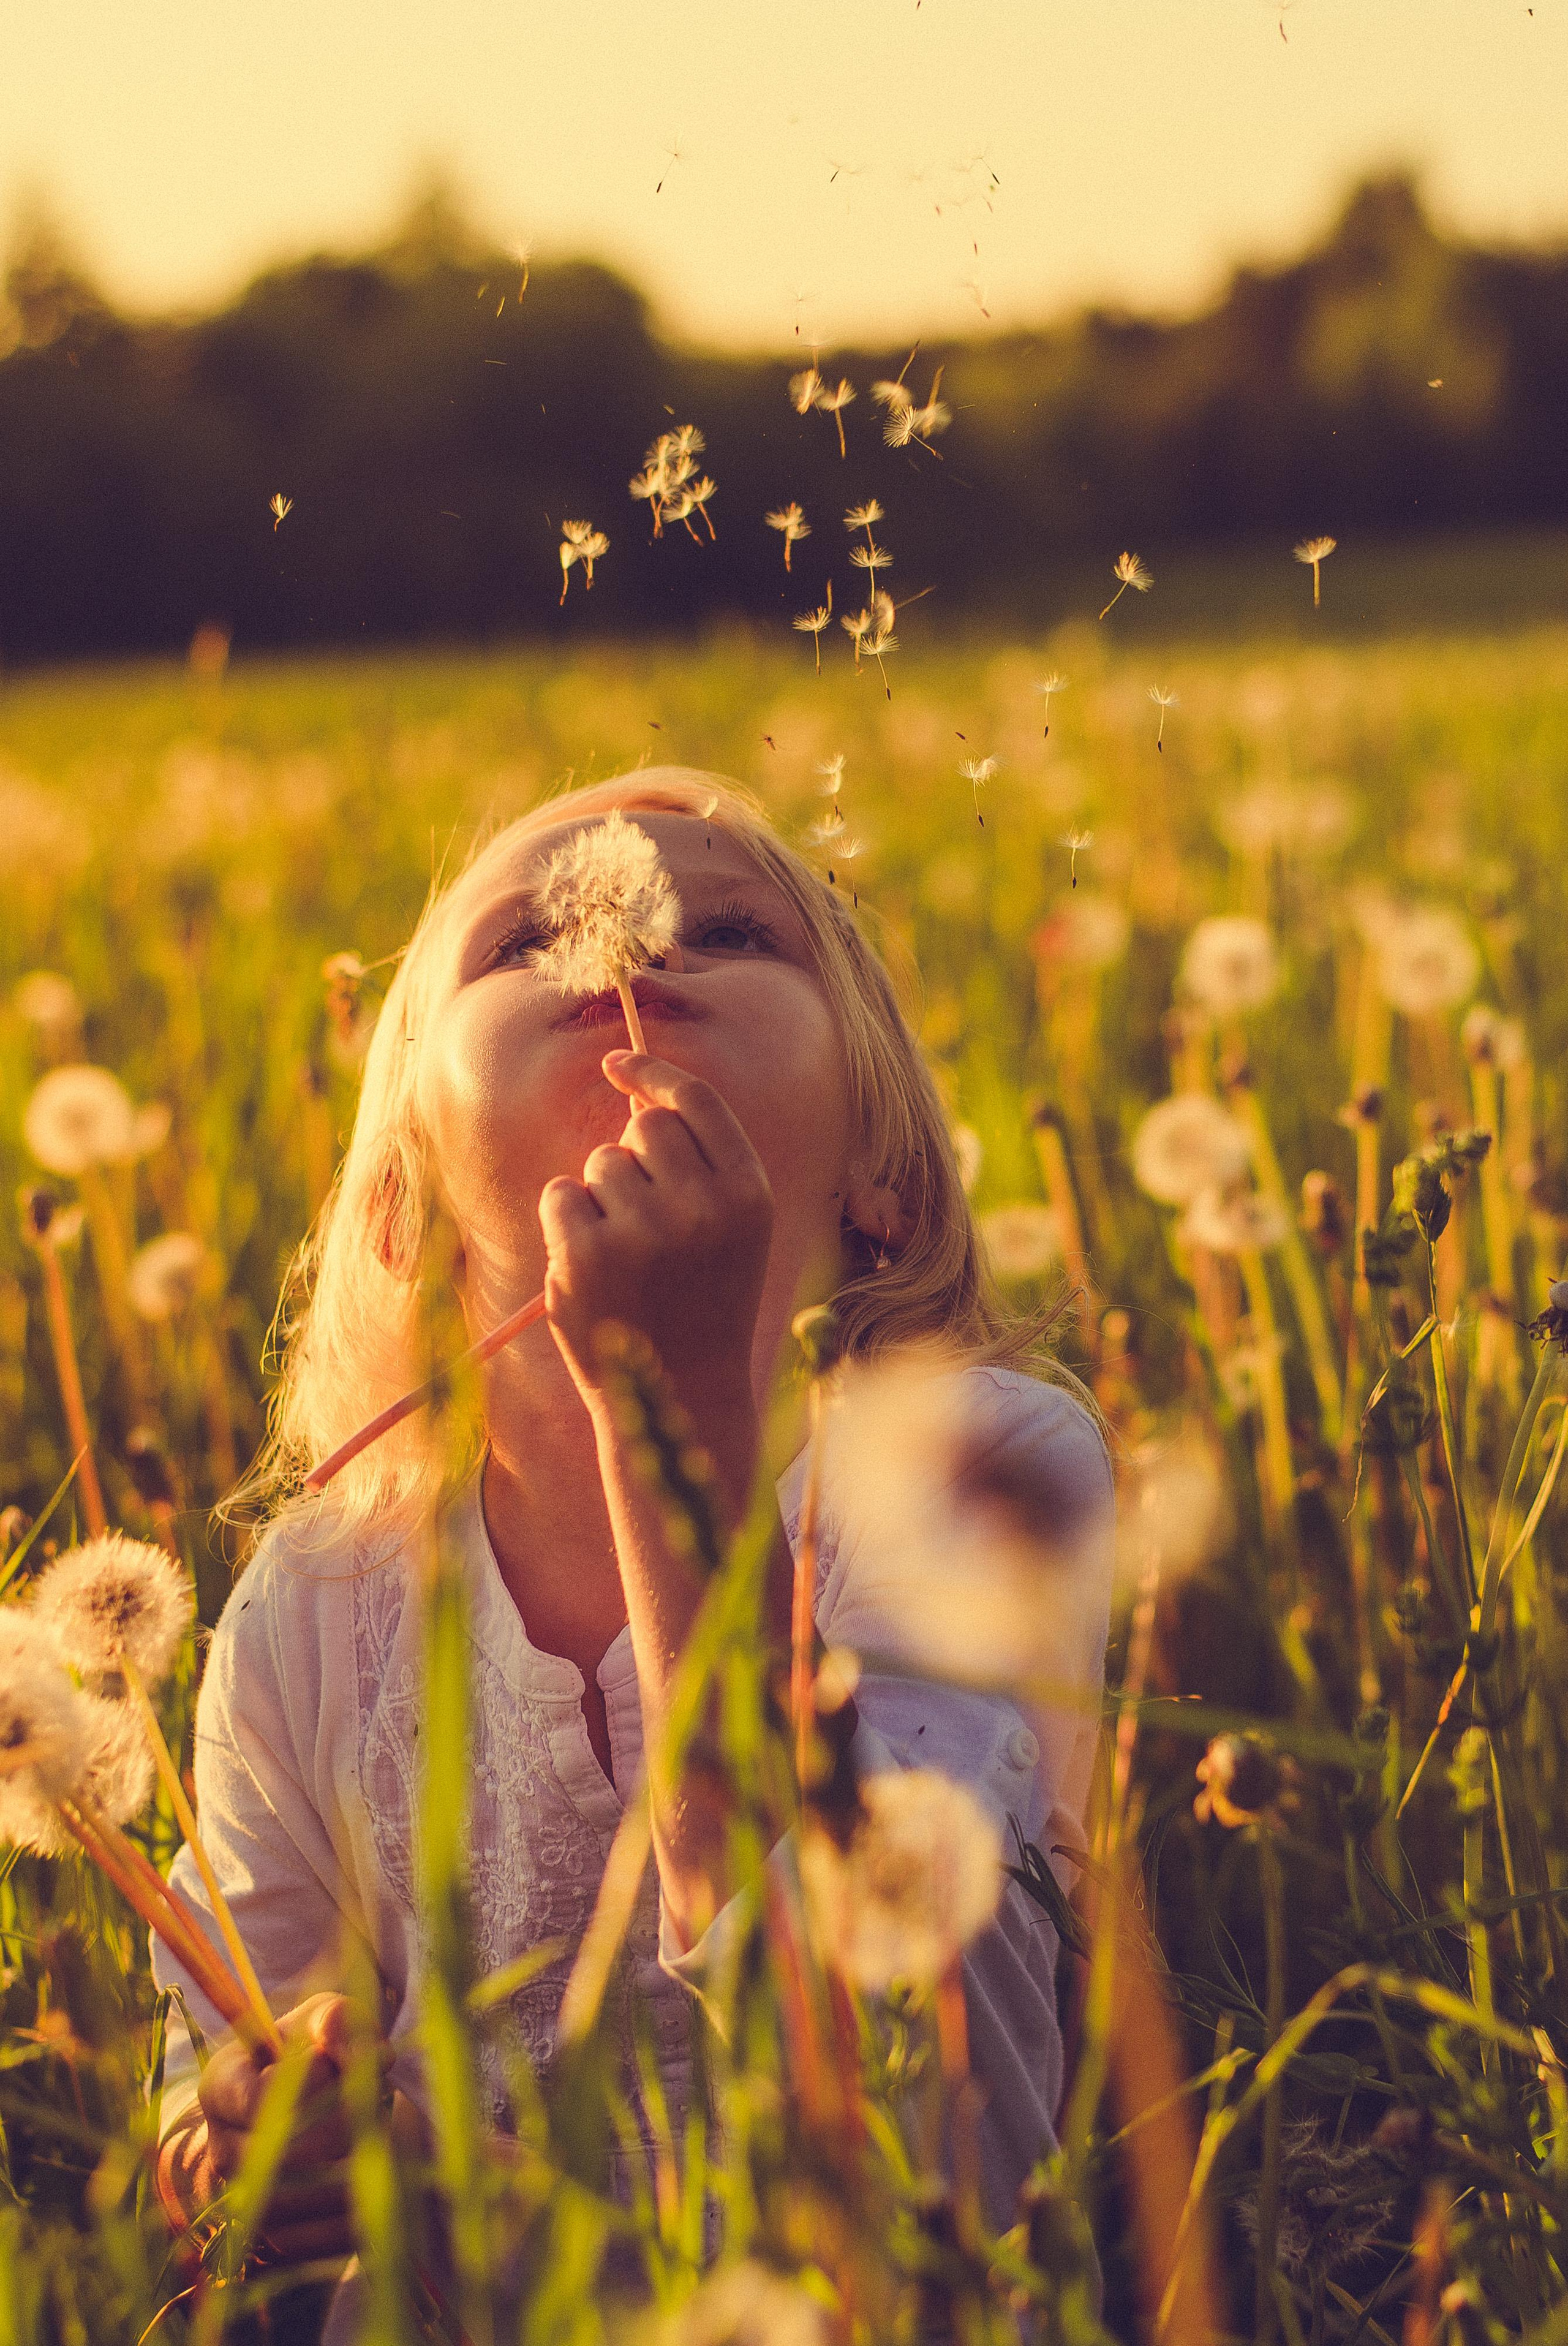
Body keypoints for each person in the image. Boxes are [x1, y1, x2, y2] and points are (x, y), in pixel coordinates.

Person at [153, 766, 1114, 2303]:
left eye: (730, 927)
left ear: (883, 1167)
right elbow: (216, 2079)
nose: (633, 944)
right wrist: (259, 2151)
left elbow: (936, 2130)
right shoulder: (316, 1598)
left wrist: (667, 1423)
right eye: (526, 940)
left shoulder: (972, 1473)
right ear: (404, 1196)